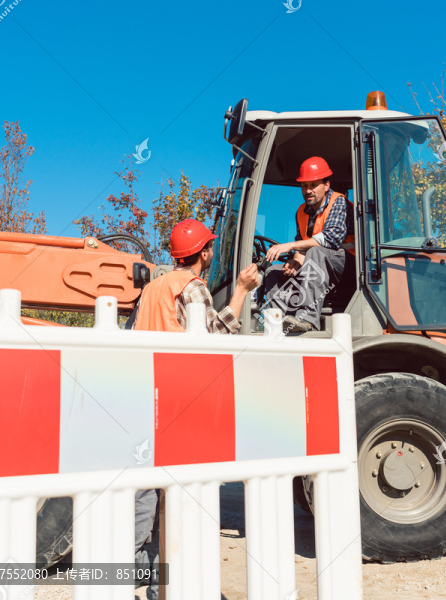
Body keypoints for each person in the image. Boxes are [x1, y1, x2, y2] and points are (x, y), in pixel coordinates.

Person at [132, 218, 259, 599]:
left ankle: (137, 579)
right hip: (178, 401)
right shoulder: (193, 287)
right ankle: (159, 586)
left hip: (146, 396)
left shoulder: (153, 288)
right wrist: (240, 292)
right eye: (209, 248)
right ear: (203, 253)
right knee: (175, 502)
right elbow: (210, 340)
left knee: (146, 497)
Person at [263, 156, 356, 333]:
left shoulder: (339, 202)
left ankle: (307, 319)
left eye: (314, 185)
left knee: (317, 252)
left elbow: (330, 239)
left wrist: (288, 246)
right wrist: (296, 261)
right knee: (272, 272)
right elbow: (302, 245)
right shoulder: (301, 211)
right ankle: (281, 322)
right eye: (304, 186)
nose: (308, 190)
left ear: (326, 185)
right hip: (320, 266)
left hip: (349, 269)